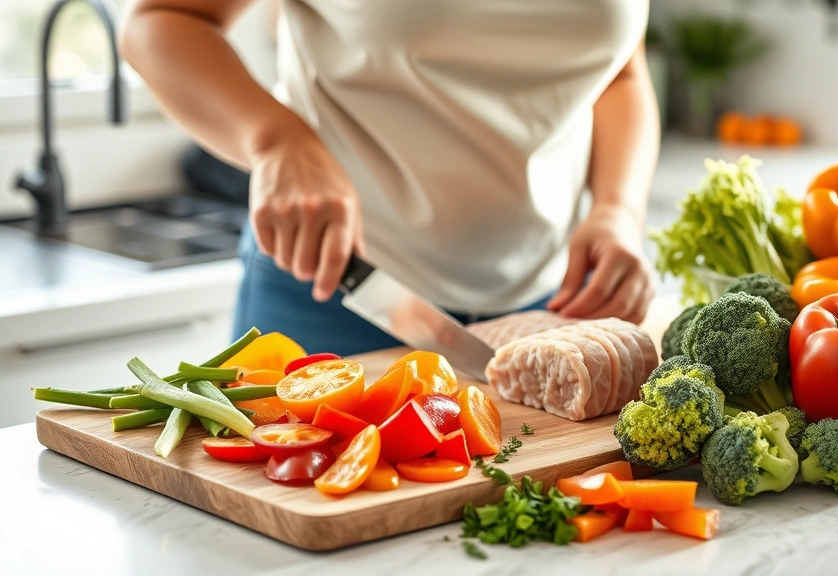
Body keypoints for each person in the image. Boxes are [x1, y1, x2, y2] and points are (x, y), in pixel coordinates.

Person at [122, 0, 660, 356]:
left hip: (552, 307)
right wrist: (275, 140)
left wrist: (618, 209)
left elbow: (621, 71)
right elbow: (161, 20)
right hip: (336, 288)